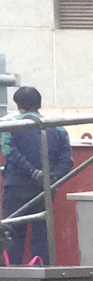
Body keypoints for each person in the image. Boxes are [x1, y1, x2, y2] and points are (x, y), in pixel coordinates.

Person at [3, 86, 73, 265]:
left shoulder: (10, 127)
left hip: (17, 188)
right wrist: (51, 176)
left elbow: (10, 153)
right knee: (42, 232)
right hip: (45, 189)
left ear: (19, 106)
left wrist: (32, 172)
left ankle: (13, 273)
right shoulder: (58, 128)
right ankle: (42, 269)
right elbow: (67, 161)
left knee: (12, 233)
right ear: (39, 104)